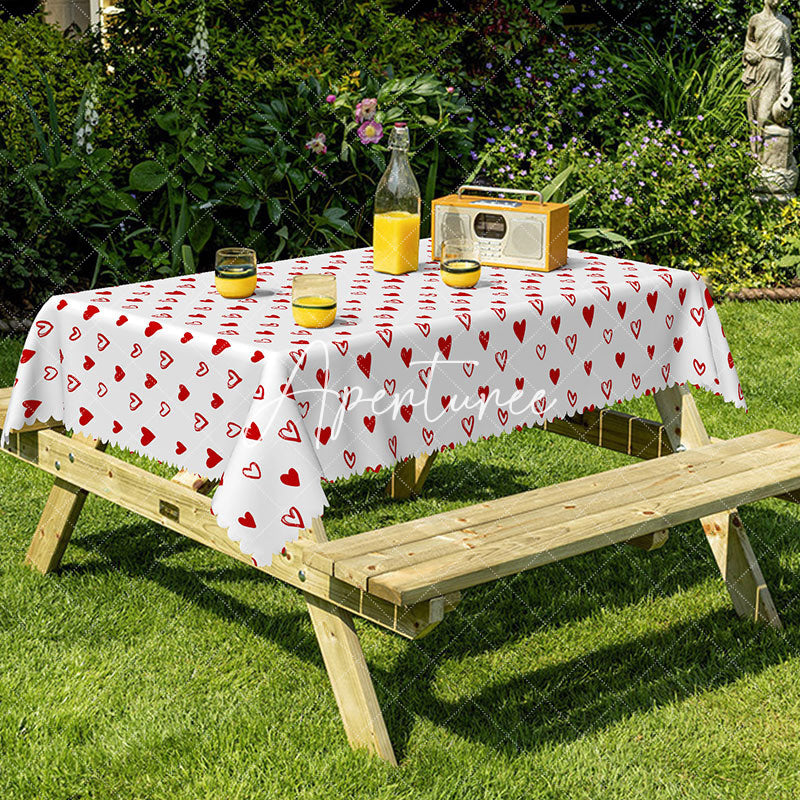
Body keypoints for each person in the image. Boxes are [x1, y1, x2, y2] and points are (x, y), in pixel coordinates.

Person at [742, 0, 793, 155]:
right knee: (753, 120)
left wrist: (787, 83)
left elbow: (787, 55)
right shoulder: (755, 20)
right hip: (755, 71)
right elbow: (748, 44)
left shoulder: (784, 23)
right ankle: (756, 161)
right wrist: (749, 54)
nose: (776, 0)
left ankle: (767, 159)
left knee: (764, 118)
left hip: (773, 72)